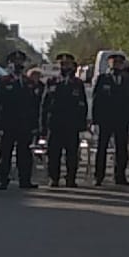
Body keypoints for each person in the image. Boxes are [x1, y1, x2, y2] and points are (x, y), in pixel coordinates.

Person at [0, 50, 39, 190]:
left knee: (24, 154)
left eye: (20, 62)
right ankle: (2, 179)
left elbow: (34, 105)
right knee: (5, 153)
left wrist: (35, 124)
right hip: (8, 124)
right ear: (9, 64)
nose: (18, 64)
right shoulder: (3, 81)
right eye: (15, 62)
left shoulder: (29, 82)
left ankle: (25, 179)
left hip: (24, 124)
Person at [41, 54, 90, 188]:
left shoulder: (77, 83)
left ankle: (71, 178)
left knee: (72, 153)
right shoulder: (52, 81)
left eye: (68, 64)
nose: (65, 67)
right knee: (53, 153)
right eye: (63, 64)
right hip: (55, 123)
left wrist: (82, 124)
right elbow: (44, 104)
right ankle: (54, 178)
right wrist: (43, 125)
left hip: (71, 124)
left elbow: (82, 104)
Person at [91, 53, 129, 186]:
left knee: (121, 149)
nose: (116, 64)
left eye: (119, 62)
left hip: (121, 120)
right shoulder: (102, 79)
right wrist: (95, 121)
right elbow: (96, 101)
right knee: (102, 149)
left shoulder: (128, 80)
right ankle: (99, 176)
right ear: (109, 64)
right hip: (105, 119)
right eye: (113, 62)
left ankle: (120, 176)